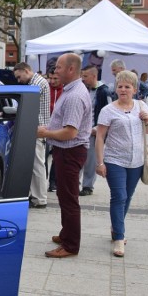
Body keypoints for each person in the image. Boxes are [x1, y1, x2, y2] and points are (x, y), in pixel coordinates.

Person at [37, 52, 92, 258]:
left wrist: (45, 133)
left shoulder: (74, 96)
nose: (55, 71)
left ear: (70, 69)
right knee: (63, 195)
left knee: (69, 199)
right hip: (66, 151)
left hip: (69, 151)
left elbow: (70, 132)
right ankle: (66, 232)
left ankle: (70, 245)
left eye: (59, 67)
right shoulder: (71, 90)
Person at [94, 71, 148, 257]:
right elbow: (100, 136)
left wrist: (146, 120)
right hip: (114, 160)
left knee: (127, 197)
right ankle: (119, 238)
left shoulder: (141, 106)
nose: (123, 89)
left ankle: (116, 227)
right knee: (118, 196)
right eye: (120, 86)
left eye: (127, 87)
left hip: (136, 161)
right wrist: (100, 162)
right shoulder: (108, 110)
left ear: (134, 89)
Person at [13, 62, 51, 208]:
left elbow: (25, 103)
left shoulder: (36, 84)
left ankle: (40, 198)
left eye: (19, 76)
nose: (18, 80)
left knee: (37, 165)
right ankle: (36, 196)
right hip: (36, 128)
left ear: (26, 70)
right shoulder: (37, 82)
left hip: (37, 128)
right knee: (35, 164)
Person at [78, 65, 112, 197]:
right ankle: (76, 184)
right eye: (82, 76)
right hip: (81, 131)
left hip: (94, 131)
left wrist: (98, 129)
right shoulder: (83, 89)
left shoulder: (104, 91)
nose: (83, 79)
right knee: (79, 159)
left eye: (85, 76)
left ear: (94, 76)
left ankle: (88, 186)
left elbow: (109, 112)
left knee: (91, 160)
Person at [46, 72, 63, 192]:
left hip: (59, 128)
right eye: (50, 78)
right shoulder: (46, 89)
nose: (52, 81)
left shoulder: (66, 91)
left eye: (55, 78)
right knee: (44, 157)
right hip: (46, 127)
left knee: (57, 157)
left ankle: (53, 183)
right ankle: (43, 181)